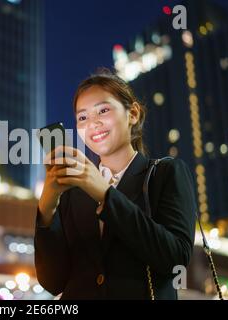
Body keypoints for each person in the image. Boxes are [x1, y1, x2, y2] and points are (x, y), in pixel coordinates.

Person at [34, 68, 196, 299]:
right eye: (82, 117)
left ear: (133, 114)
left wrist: (104, 193)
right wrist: (47, 206)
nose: (93, 123)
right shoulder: (72, 193)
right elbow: (53, 281)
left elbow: (175, 259)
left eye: (103, 110)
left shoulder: (166, 173)